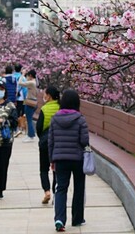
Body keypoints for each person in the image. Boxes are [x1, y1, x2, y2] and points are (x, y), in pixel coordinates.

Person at [48, 89, 89, 231]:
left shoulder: (54, 119)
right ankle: (77, 218)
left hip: (60, 159)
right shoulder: (80, 119)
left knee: (61, 189)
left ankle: (59, 219)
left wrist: (51, 159)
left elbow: (51, 141)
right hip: (77, 158)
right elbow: (84, 140)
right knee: (78, 187)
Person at [36, 86, 60, 204]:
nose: (44, 96)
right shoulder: (61, 108)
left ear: (49, 95)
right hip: (58, 143)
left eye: (45, 94)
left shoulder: (44, 109)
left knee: (44, 169)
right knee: (56, 169)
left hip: (46, 143)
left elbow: (39, 128)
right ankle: (56, 193)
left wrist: (42, 138)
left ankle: (47, 191)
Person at [18, 69, 38, 143]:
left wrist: (22, 74)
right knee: (28, 119)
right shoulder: (35, 82)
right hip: (32, 102)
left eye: (27, 76)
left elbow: (20, 83)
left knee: (29, 120)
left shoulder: (32, 83)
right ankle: (29, 134)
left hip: (30, 102)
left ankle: (31, 135)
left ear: (30, 76)